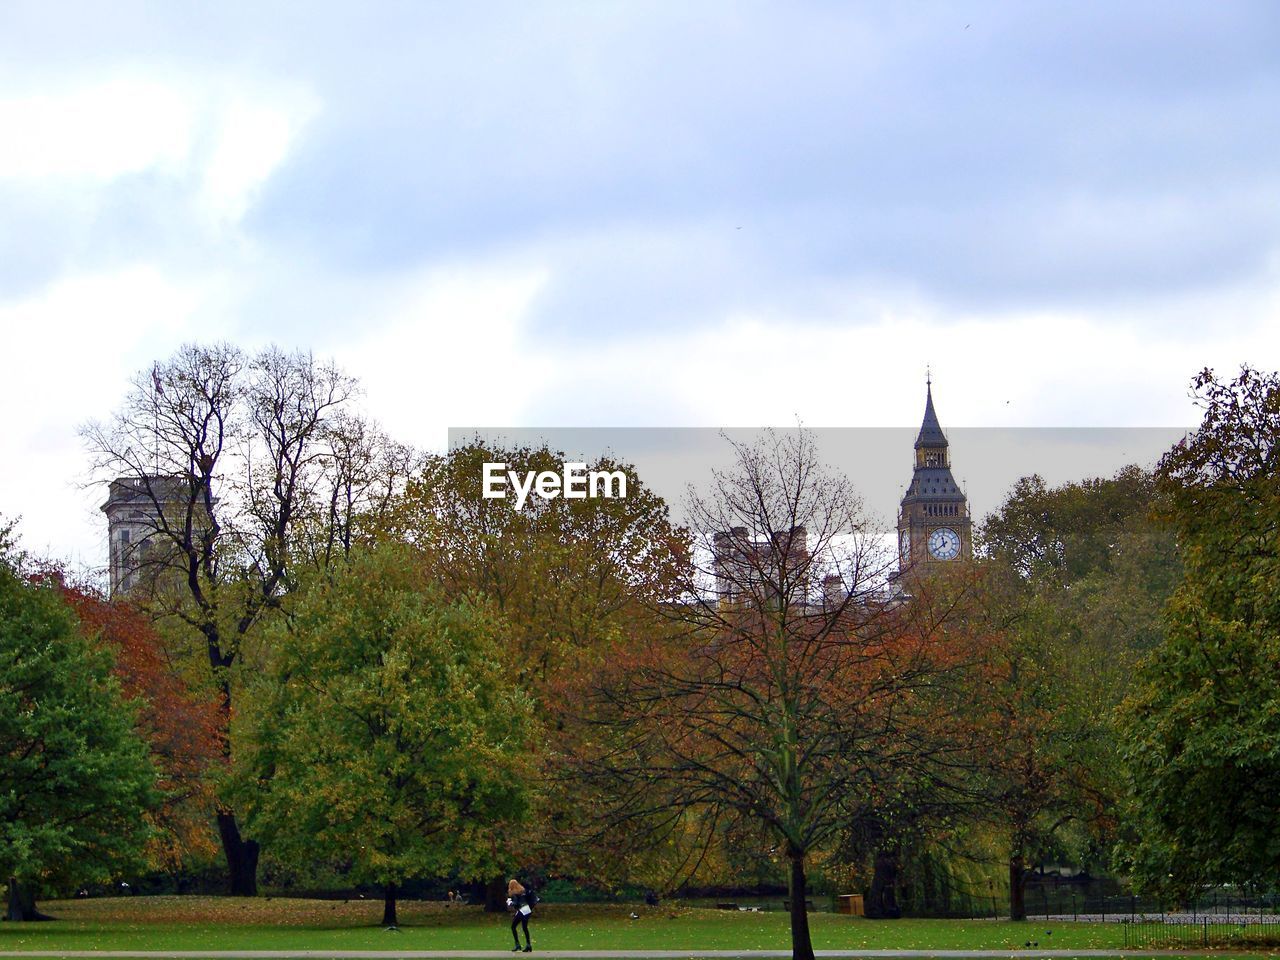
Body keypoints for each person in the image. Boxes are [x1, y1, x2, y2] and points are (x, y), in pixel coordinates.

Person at [506, 878, 534, 952]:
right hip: (527, 910)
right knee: (525, 928)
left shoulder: (514, 893)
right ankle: (528, 944)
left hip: (521, 910)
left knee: (513, 926)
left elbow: (516, 903)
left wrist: (509, 902)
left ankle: (517, 944)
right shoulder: (523, 891)